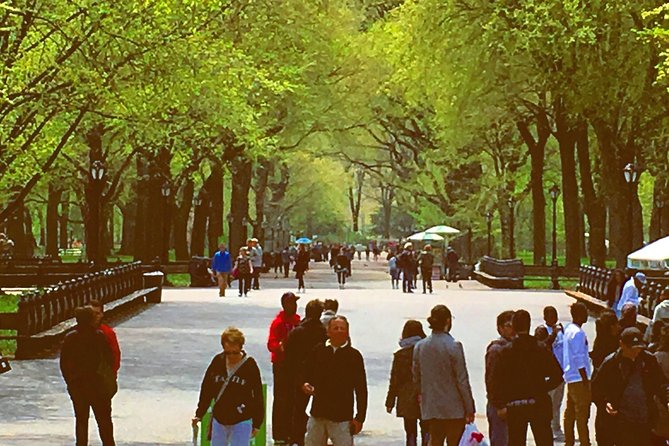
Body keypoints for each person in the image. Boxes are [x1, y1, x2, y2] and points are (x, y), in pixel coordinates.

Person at [491, 310, 563, 446]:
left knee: (516, 441)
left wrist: (500, 404)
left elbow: (496, 380)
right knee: (544, 440)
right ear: (529, 325)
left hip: (515, 404)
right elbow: (558, 375)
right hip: (538, 402)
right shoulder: (540, 348)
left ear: (514, 326)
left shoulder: (506, 351)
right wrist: (543, 388)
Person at [592, 327, 668, 445]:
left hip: (645, 421)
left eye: (638, 348)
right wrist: (605, 403)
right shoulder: (611, 363)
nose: (635, 352)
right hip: (622, 422)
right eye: (632, 348)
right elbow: (596, 389)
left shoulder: (648, 360)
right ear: (622, 344)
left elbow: (661, 384)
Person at [413, 305, 475, 446]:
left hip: (432, 405)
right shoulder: (454, 346)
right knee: (454, 441)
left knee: (435, 440)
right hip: (454, 407)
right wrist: (469, 407)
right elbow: (462, 380)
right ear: (448, 321)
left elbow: (416, 377)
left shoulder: (420, 346)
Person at [302, 316, 368, 446]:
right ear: (328, 332)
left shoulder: (354, 356)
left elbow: (361, 389)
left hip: (342, 417)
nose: (339, 331)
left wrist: (360, 418)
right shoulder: (318, 350)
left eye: (342, 328)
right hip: (318, 413)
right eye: (335, 328)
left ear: (347, 332)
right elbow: (304, 372)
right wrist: (304, 383)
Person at [193, 327, 264, 446]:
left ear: (241, 348)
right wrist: (199, 413)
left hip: (242, 418)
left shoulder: (250, 365)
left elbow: (257, 394)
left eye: (235, 353)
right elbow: (207, 389)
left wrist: (257, 423)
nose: (231, 356)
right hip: (219, 419)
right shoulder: (218, 362)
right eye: (227, 352)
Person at [60, 306, 116, 446]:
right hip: (98, 384)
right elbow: (109, 358)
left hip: (78, 385)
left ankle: (81, 444)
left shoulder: (71, 338)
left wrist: (70, 381)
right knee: (104, 420)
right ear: (91, 319)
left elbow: (64, 363)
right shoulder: (99, 336)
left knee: (81, 420)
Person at [285, 300, 328, 446]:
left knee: (297, 409)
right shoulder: (323, 332)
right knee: (321, 411)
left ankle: (296, 438)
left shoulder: (297, 331)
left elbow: (288, 356)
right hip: (319, 376)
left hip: (299, 376)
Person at [386, 320, 429, 446]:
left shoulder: (400, 355)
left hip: (406, 397)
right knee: (426, 430)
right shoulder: (426, 351)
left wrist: (390, 401)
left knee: (410, 432)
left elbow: (394, 380)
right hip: (424, 395)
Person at [267, 292, 302, 445]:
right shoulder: (278, 323)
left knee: (295, 399)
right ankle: (279, 433)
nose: (294, 306)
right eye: (291, 303)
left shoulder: (298, 321)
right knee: (281, 399)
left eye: (295, 303)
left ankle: (293, 431)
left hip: (296, 365)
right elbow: (271, 344)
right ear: (284, 304)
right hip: (281, 365)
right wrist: (281, 346)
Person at [533, 306, 565, 441]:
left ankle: (556, 426)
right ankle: (549, 427)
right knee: (549, 403)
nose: (554, 319)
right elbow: (542, 346)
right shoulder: (542, 330)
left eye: (555, 316)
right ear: (545, 317)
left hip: (560, 372)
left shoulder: (560, 329)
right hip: (548, 374)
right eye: (551, 316)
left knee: (557, 403)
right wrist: (553, 334)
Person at [562, 302, 592, 446]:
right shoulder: (578, 333)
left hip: (570, 376)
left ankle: (569, 441)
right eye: (585, 312)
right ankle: (584, 442)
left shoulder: (568, 329)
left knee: (570, 413)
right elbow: (579, 358)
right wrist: (586, 380)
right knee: (582, 414)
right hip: (579, 378)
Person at [589, 310, 620, 446]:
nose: (619, 327)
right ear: (611, 326)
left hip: (601, 393)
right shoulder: (611, 346)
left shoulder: (600, 341)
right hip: (608, 391)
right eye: (616, 324)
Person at [485, 310, 516, 446]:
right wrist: (499, 406)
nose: (512, 329)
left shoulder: (517, 347)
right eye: (508, 326)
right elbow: (491, 380)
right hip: (500, 406)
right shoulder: (496, 350)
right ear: (500, 328)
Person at [89, 300, 121, 377]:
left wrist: (111, 375)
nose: (94, 316)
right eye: (91, 314)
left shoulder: (108, 333)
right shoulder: (75, 334)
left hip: (102, 377)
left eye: (97, 314)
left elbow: (115, 356)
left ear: (102, 315)